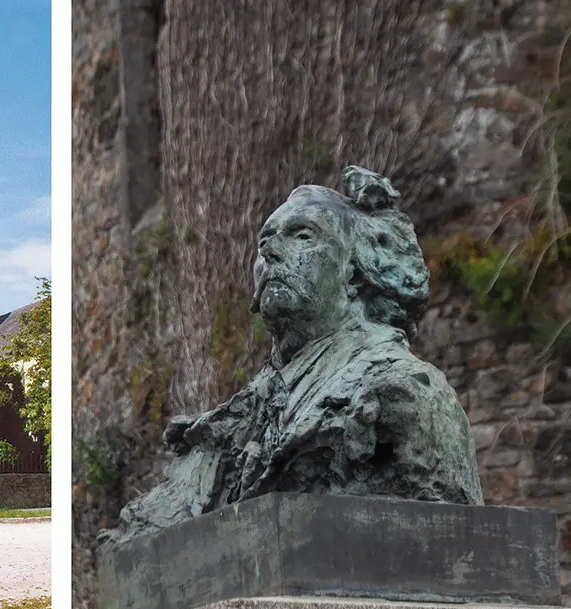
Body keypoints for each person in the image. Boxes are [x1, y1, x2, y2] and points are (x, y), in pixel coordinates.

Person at [120, 166, 483, 533]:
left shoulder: (406, 394)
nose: (271, 252)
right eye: (264, 243)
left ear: (356, 271)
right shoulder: (235, 421)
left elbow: (452, 542)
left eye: (303, 236)